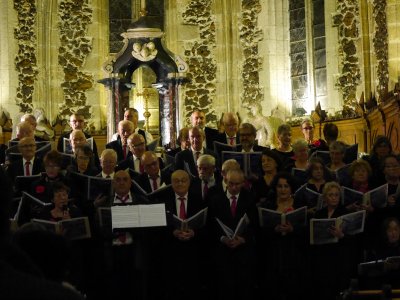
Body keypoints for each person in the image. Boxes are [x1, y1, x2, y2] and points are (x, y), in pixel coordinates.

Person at [207, 169, 257, 300]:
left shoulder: (250, 199)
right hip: (223, 253)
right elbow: (211, 225)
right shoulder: (215, 200)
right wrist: (222, 238)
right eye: (231, 183)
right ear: (225, 181)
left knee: (244, 289)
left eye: (238, 184)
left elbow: (255, 224)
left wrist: (243, 239)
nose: (234, 187)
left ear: (243, 183)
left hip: (244, 253)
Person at [258, 172, 307, 299]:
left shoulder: (299, 204)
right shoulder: (268, 205)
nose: (283, 189)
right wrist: (274, 229)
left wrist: (293, 229)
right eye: (280, 186)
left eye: (286, 186)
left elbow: (306, 231)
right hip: (273, 254)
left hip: (294, 254)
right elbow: (260, 231)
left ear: (291, 188)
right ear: (275, 188)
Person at [162, 170, 207, 300]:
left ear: (189, 182)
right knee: (172, 289)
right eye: (176, 181)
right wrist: (173, 232)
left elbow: (205, 225)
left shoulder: (199, 199)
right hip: (171, 252)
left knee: (192, 288)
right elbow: (159, 228)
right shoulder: (164, 201)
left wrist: (194, 232)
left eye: (183, 180)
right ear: (171, 183)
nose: (180, 183)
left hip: (193, 252)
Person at [310, 181, 353, 300]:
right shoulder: (319, 214)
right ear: (325, 197)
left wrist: (341, 235)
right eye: (330, 195)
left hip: (338, 258)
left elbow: (353, 239)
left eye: (336, 195)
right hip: (321, 257)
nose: (334, 198)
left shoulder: (345, 213)